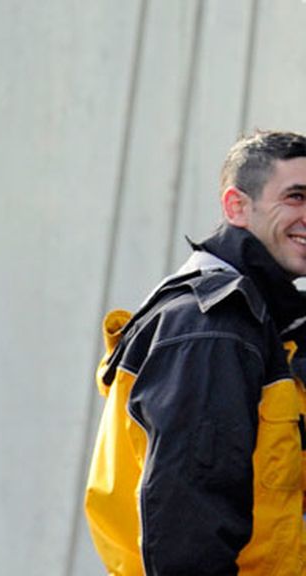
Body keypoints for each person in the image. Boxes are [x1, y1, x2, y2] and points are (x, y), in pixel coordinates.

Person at [85, 130, 306, 575]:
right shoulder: (213, 327)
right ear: (236, 206)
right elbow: (188, 527)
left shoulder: (267, 324)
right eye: (296, 197)